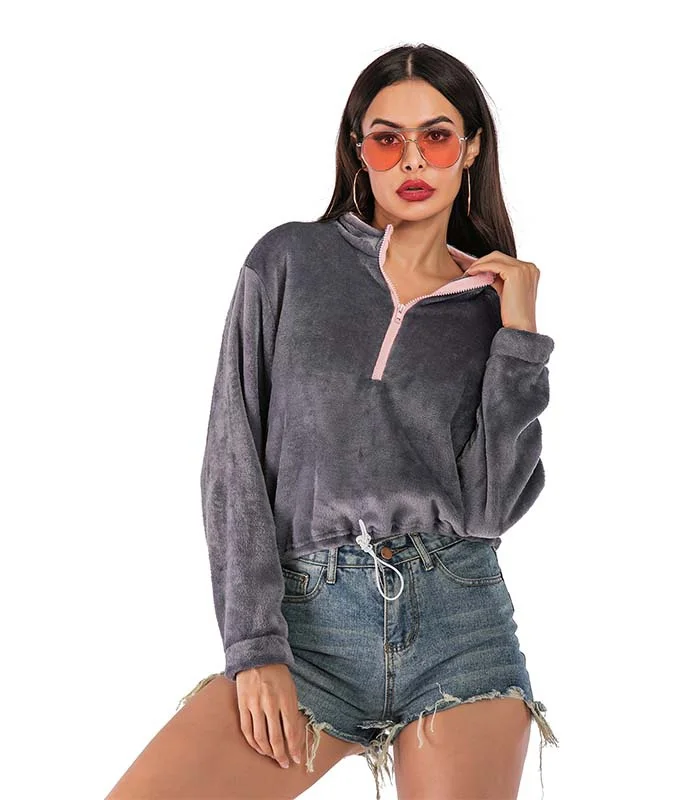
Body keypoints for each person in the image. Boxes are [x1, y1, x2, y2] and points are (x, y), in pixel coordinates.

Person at [106, 42, 559, 800]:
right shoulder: (289, 260)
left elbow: (488, 509)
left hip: (460, 625)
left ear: (472, 147)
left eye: (437, 136)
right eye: (387, 138)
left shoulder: (488, 311)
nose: (412, 160)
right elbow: (232, 457)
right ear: (358, 150)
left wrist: (519, 340)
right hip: (307, 626)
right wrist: (254, 646)